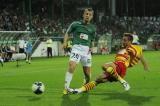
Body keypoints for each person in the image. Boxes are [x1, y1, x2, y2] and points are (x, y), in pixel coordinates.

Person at [73, 33, 148, 94]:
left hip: (121, 66)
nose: (123, 41)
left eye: (125, 40)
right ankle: (78, 90)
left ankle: (122, 81)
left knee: (104, 66)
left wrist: (145, 65)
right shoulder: (122, 48)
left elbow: (139, 56)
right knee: (98, 79)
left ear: (130, 41)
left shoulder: (131, 48)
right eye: (123, 40)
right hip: (118, 70)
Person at [63, 8, 96, 94]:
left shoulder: (93, 28)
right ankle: (66, 88)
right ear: (83, 15)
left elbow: (92, 40)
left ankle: (85, 86)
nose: (87, 16)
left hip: (86, 52)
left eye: (89, 14)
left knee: (87, 74)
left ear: (92, 17)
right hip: (76, 48)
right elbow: (67, 33)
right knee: (72, 66)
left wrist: (92, 47)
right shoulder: (75, 24)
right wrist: (65, 42)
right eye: (86, 14)